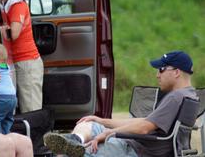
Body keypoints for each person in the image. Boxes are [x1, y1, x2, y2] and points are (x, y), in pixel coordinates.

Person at [43, 50, 198, 157]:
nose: (157, 75)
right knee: (89, 124)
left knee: (64, 153)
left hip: (136, 150)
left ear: (176, 72)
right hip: (140, 145)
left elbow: (144, 128)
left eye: (161, 69)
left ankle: (74, 146)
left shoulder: (175, 98)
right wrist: (102, 121)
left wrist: (109, 133)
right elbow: (146, 122)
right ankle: (75, 140)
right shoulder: (189, 95)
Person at [0, 0, 44, 113]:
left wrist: (0, 30)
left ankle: (35, 135)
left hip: (27, 62)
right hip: (16, 61)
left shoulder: (17, 4)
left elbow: (13, 34)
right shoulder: (5, 7)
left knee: (31, 109)